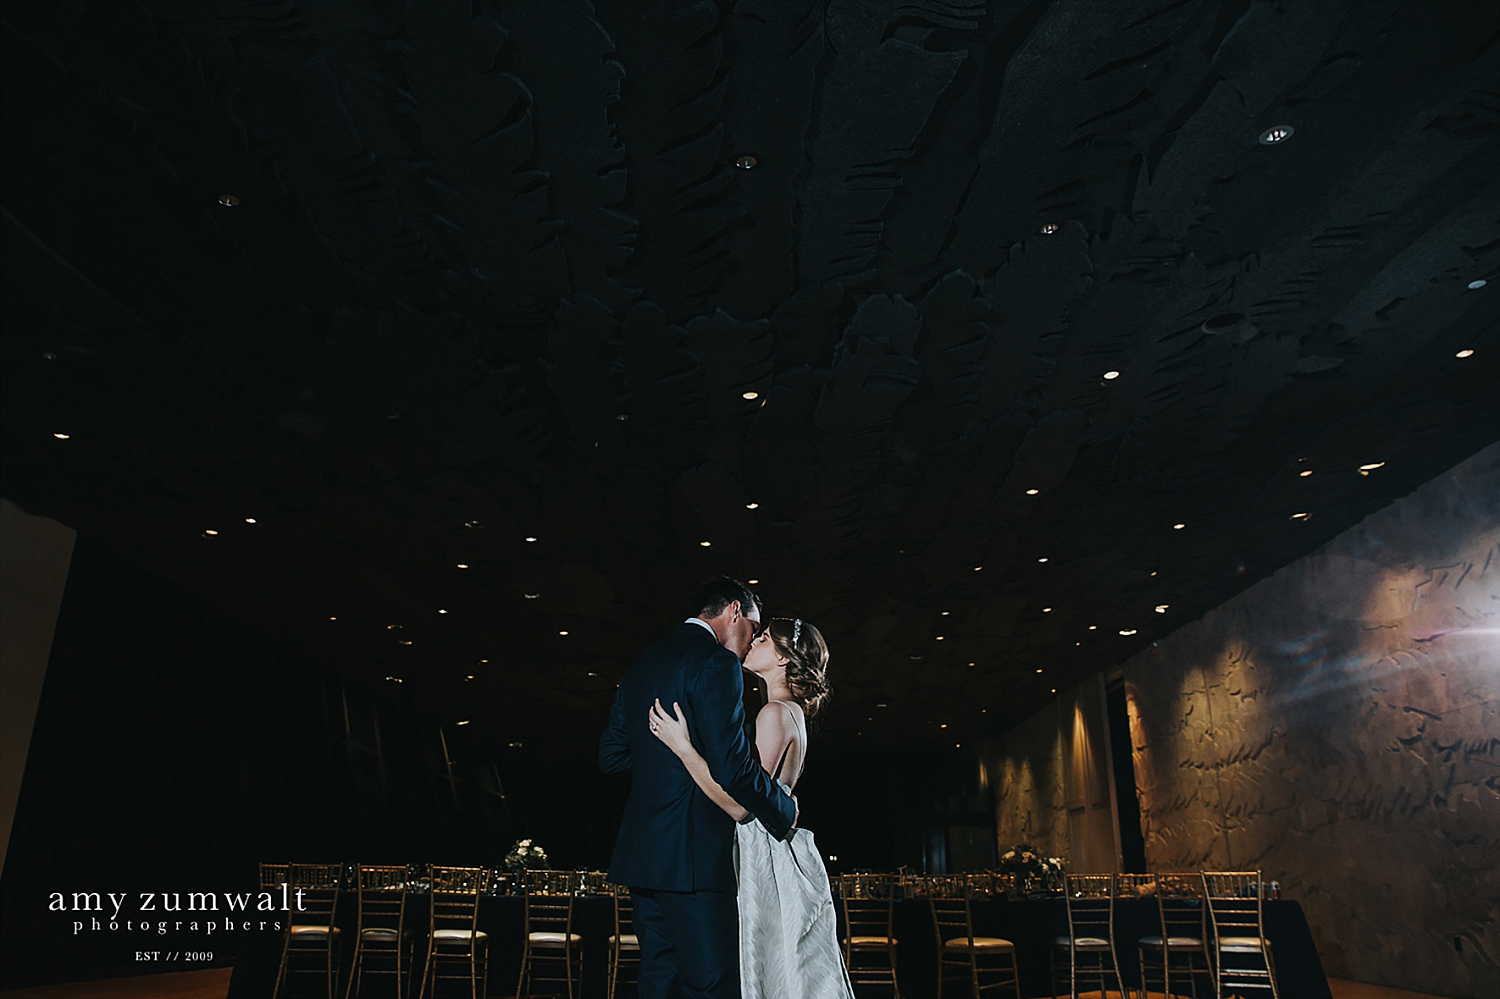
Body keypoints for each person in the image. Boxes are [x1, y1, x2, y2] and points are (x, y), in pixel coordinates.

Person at [599, 577, 798, 999]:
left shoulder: (644, 662)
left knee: (658, 980)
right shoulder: (716, 663)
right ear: (734, 612)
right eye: (753, 628)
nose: (749, 643)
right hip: (694, 856)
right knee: (709, 984)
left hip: (644, 856)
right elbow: (733, 768)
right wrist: (781, 807)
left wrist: (669, 755)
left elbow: (611, 756)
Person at [648, 616, 855, 999]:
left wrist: (682, 747)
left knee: (761, 969)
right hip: (776, 850)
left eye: (762, 639)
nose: (752, 642)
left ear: (781, 658)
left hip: (764, 858)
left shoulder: (774, 713)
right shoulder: (791, 713)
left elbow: (738, 805)